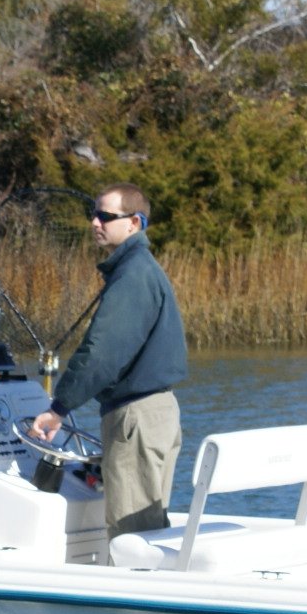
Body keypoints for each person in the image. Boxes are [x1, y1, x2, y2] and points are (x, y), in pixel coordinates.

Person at [30, 184, 187, 549]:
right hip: (153, 416)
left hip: (136, 419)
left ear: (134, 223)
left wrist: (58, 409)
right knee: (148, 531)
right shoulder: (137, 269)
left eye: (105, 216)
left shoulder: (133, 276)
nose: (94, 222)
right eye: (94, 214)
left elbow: (101, 354)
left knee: (133, 541)